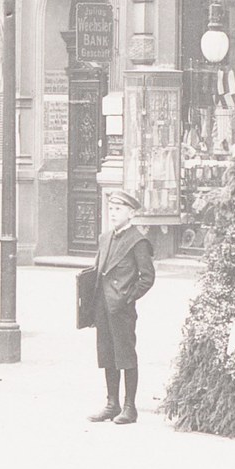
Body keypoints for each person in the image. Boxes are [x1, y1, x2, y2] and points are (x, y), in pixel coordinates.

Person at [87, 165, 156, 424]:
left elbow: (147, 277)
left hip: (121, 308)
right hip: (102, 306)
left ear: (131, 213)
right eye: (111, 209)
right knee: (107, 355)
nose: (113, 213)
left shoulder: (138, 241)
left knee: (125, 355)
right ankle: (112, 404)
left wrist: (128, 297)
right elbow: (98, 270)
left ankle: (130, 407)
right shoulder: (105, 238)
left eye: (118, 209)